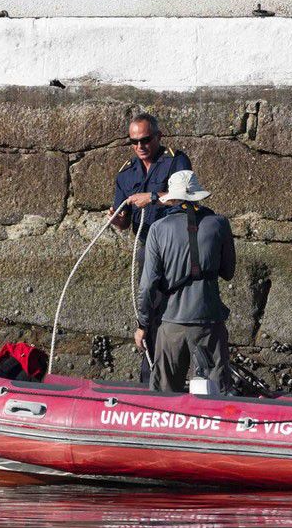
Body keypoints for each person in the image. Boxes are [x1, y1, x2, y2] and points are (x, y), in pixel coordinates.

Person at [109, 113, 192, 384]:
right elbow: (122, 223)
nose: (140, 146)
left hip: (177, 244)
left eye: (145, 139)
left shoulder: (175, 161)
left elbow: (186, 197)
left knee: (185, 306)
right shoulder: (125, 173)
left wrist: (153, 197)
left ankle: (193, 375)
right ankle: (150, 376)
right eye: (134, 141)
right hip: (147, 245)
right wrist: (118, 220)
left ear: (158, 137)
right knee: (149, 307)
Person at [136, 170, 236, 393]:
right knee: (216, 392)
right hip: (210, 321)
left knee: (164, 394)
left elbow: (147, 285)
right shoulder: (219, 224)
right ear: (198, 196)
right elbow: (228, 271)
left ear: (170, 198)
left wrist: (143, 325)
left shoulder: (158, 229)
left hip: (171, 323)